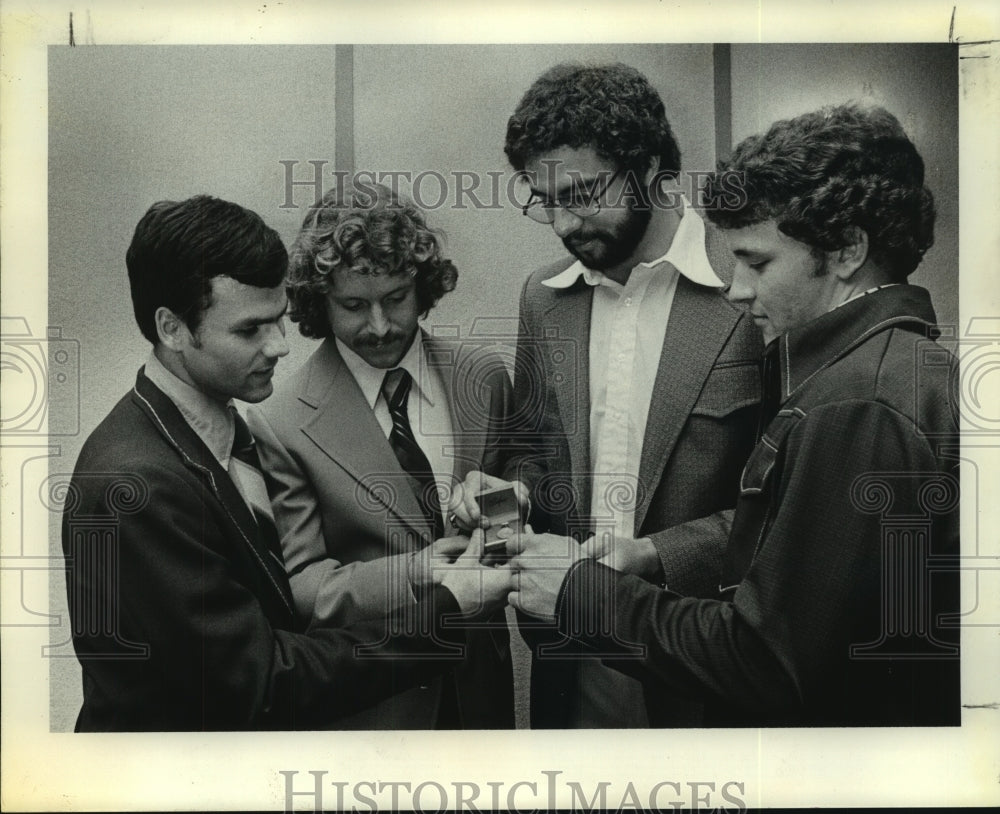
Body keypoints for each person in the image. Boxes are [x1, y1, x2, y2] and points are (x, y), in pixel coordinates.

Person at [506, 104, 961, 727]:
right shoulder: (898, 365)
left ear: (849, 249)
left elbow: (767, 663)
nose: (739, 288)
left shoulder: (857, 404)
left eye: (758, 262)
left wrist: (577, 594)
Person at [61, 195, 510, 731]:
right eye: (250, 330)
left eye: (277, 322)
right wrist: (444, 608)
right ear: (172, 328)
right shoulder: (138, 484)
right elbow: (263, 683)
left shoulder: (215, 432)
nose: (280, 346)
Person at [452, 62, 763, 728]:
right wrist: (507, 498)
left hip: (710, 661)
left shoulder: (753, 285)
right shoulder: (543, 298)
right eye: (544, 199)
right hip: (573, 657)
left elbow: (791, 502)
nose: (563, 222)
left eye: (585, 192)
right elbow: (533, 451)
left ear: (649, 165)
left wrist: (657, 555)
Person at [248, 183, 515, 729]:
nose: (379, 326)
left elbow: (513, 501)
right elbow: (304, 588)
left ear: (423, 286)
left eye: (395, 298)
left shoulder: (482, 376)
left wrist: (500, 508)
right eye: (352, 306)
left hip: (482, 696)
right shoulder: (279, 421)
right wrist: (416, 573)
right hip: (377, 712)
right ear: (317, 303)